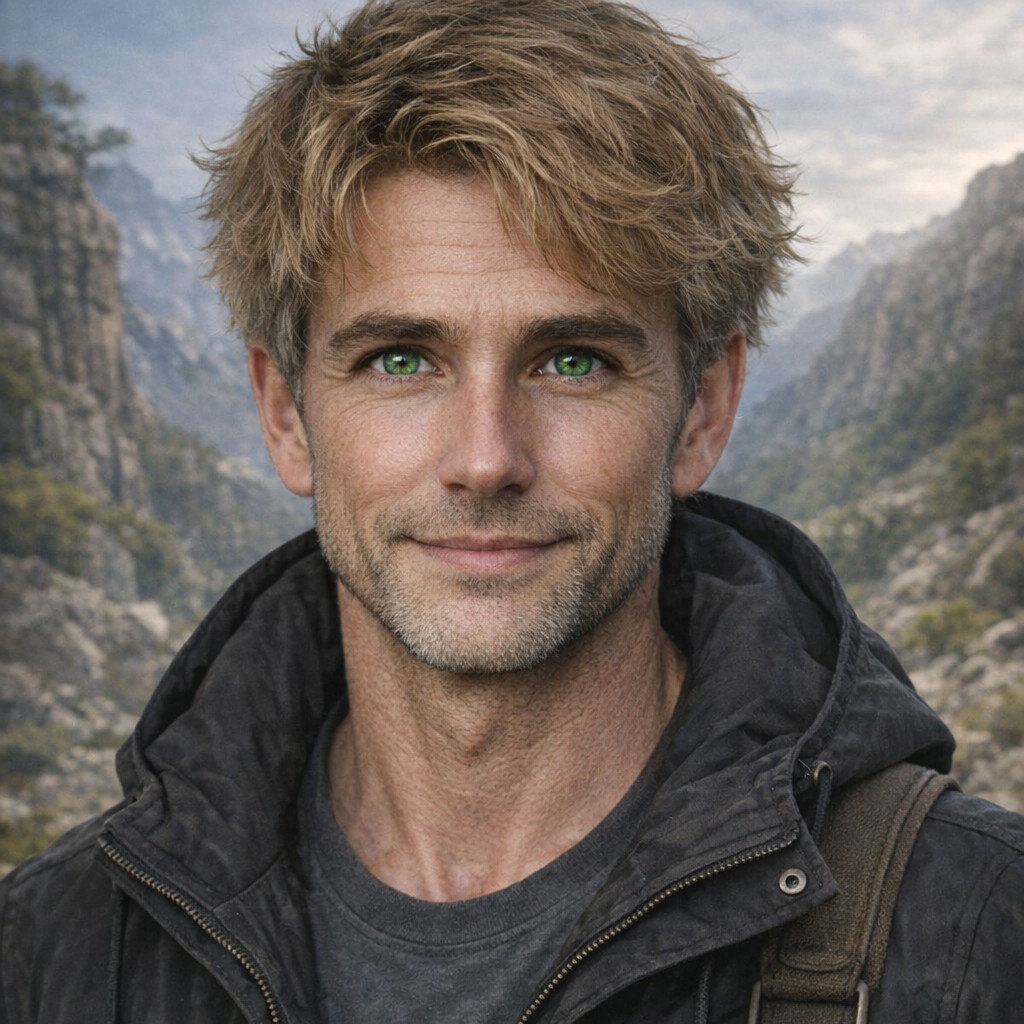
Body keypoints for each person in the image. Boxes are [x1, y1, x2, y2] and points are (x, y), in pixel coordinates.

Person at [2, 0, 1022, 1021]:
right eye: (400, 360)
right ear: (287, 413)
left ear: (703, 409)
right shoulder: (52, 954)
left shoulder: (979, 930)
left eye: (572, 360)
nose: (486, 458)